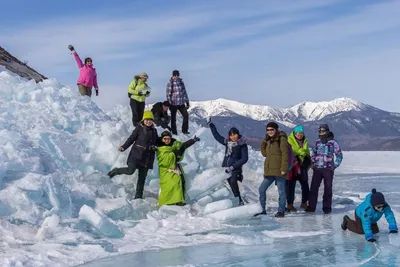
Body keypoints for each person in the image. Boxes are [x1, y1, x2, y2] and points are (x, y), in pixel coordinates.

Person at [107, 111, 158, 199]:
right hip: (136, 154)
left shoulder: (154, 131)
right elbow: (131, 139)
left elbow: (157, 141)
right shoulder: (139, 128)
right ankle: (115, 171)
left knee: (142, 178)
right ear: (143, 120)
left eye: (150, 120)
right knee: (130, 170)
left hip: (147, 157)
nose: (148, 121)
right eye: (147, 119)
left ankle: (138, 196)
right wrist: (124, 147)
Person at [207, 117, 248, 206]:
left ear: (238, 135)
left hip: (235, 168)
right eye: (231, 135)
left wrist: (233, 167)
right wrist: (211, 124)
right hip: (226, 167)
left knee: (233, 181)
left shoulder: (242, 145)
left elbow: (244, 159)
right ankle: (238, 200)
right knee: (230, 183)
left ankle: (240, 201)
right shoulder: (227, 143)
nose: (233, 136)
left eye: (235, 134)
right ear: (229, 136)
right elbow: (217, 136)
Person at [306, 124, 343, 214]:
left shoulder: (333, 143)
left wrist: (334, 165)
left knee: (328, 188)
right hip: (317, 168)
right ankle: (311, 206)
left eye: (323, 131)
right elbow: (313, 153)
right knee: (314, 188)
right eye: (320, 131)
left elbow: (339, 155)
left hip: (328, 169)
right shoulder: (317, 142)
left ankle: (327, 207)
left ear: (327, 131)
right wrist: (312, 163)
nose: (321, 133)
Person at [156, 131, 200, 206]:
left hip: (175, 167)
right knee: (170, 184)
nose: (167, 140)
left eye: (168, 139)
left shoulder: (175, 144)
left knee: (180, 181)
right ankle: (167, 202)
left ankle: (179, 200)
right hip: (165, 169)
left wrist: (193, 140)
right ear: (162, 139)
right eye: (165, 139)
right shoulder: (160, 147)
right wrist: (174, 153)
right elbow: (163, 159)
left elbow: (183, 146)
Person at [256, 122, 288, 218]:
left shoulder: (281, 139)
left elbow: (285, 154)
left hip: (279, 170)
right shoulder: (269, 140)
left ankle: (281, 211)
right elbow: (265, 153)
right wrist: (264, 141)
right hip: (270, 171)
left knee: (281, 191)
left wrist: (283, 168)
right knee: (261, 189)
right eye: (268, 130)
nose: (269, 131)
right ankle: (262, 209)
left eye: (271, 129)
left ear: (276, 130)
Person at [286, 125, 311, 212]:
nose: (300, 134)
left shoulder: (305, 141)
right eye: (298, 133)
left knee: (305, 185)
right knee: (290, 186)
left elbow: (307, 153)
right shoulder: (289, 140)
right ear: (294, 133)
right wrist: (301, 152)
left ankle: (304, 202)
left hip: (302, 166)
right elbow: (291, 152)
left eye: (301, 133)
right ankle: (290, 204)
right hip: (292, 166)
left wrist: (308, 162)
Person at [166, 70, 190, 135]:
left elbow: (184, 92)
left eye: (177, 75)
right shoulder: (170, 82)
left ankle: (184, 130)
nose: (176, 76)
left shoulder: (181, 82)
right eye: (175, 75)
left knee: (186, 116)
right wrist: (169, 103)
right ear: (173, 75)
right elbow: (168, 94)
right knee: (173, 119)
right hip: (173, 103)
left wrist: (187, 101)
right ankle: (174, 132)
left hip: (181, 103)